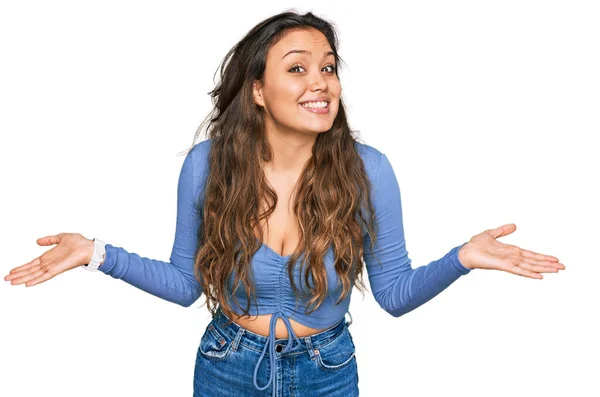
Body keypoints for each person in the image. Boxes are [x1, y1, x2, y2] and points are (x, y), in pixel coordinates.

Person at [4, 10, 566, 397]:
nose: (320, 82)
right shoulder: (208, 164)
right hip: (227, 365)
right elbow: (183, 285)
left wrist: (461, 259)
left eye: (327, 67)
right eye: (296, 68)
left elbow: (394, 295)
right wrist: (96, 253)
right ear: (257, 89)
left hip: (328, 369)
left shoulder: (369, 171)